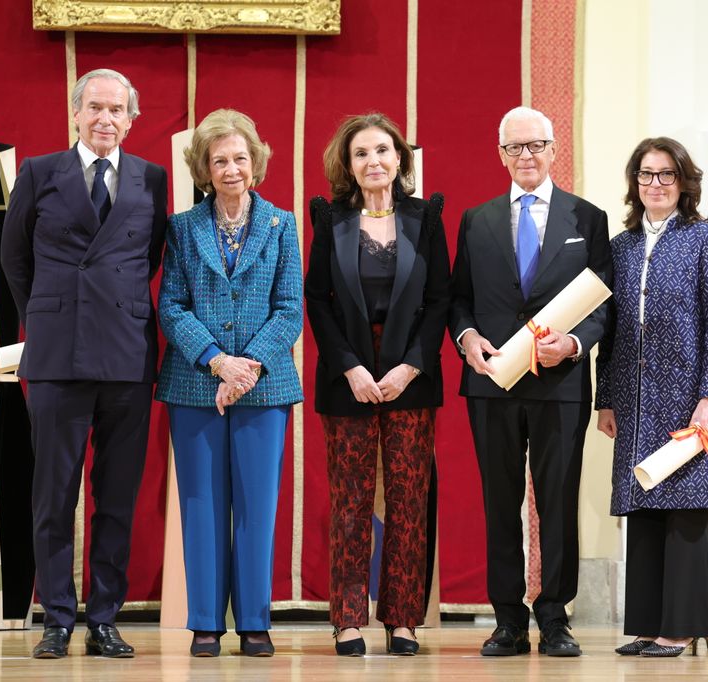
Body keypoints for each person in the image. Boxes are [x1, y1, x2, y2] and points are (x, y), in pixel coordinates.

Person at [0, 68, 167, 659]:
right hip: (56, 356)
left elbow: (148, 258)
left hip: (126, 355)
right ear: (75, 113)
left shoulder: (152, 177)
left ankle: (104, 617)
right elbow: (14, 256)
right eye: (95, 107)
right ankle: (56, 617)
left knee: (116, 496)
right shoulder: (40, 173)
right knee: (53, 494)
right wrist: (47, 315)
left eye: (117, 110)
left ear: (131, 118)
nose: (106, 119)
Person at [449, 106, 611, 657]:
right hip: (493, 383)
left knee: (558, 501)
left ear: (553, 149)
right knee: (500, 502)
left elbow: (602, 302)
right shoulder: (477, 219)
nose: (526, 156)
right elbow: (459, 299)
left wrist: (574, 343)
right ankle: (508, 620)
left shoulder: (587, 219)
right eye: (514, 148)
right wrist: (468, 339)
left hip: (560, 382)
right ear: (501, 155)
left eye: (535, 145)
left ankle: (555, 617)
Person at [156, 109, 303, 658]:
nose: (232, 168)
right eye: (220, 160)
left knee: (257, 506)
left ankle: (256, 622)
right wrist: (219, 362)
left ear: (256, 162)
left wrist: (248, 367)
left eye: (240, 158)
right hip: (196, 383)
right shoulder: (182, 227)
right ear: (204, 169)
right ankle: (204, 624)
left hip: (265, 388)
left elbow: (290, 309)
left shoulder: (282, 223)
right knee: (201, 505)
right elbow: (171, 306)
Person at [305, 112, 449, 657]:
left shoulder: (425, 217)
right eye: (361, 153)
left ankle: (403, 618)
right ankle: (347, 619)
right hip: (349, 378)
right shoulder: (329, 218)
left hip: (410, 375)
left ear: (399, 159)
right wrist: (351, 367)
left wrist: (410, 365)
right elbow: (317, 301)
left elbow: (440, 300)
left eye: (383, 151)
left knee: (410, 501)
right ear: (348, 164)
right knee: (350, 501)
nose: (373, 162)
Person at [596, 137, 708, 657]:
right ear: (635, 183)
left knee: (687, 507)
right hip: (632, 393)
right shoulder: (620, 246)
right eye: (646, 175)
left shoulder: (706, 240)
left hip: (687, 395)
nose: (655, 184)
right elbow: (608, 331)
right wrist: (604, 397)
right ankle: (649, 625)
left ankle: (683, 626)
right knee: (644, 505)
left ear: (684, 183)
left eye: (666, 175)